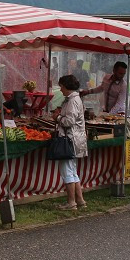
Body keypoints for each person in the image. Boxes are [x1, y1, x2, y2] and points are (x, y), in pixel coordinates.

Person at [53, 74, 88, 210]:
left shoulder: (73, 101)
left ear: (66, 86)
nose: (60, 89)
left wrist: (57, 118)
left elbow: (69, 121)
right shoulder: (73, 99)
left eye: (61, 86)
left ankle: (71, 202)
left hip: (69, 139)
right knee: (73, 171)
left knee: (67, 171)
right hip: (74, 139)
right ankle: (80, 201)